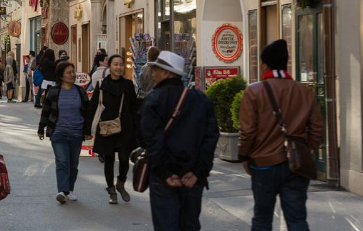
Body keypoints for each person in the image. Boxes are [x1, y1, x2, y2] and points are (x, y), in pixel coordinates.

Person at [238, 39, 324, 231]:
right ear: (286, 63)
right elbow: (317, 128)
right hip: (296, 165)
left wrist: (244, 156)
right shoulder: (304, 91)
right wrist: (305, 150)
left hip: (263, 163)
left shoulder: (254, 91)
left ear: (264, 64)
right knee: (297, 220)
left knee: (262, 219)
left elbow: (247, 131)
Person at [140, 51, 219, 231]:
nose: (153, 74)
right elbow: (211, 137)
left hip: (163, 178)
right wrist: (198, 171)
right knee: (189, 225)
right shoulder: (201, 99)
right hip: (192, 176)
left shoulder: (154, 98)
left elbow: (149, 139)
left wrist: (166, 172)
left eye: (156, 70)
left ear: (166, 73)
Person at [38, 60, 91, 204]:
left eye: (73, 72)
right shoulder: (54, 92)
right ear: (61, 76)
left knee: (73, 164)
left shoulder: (80, 92)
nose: (73, 75)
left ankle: (69, 190)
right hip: (58, 132)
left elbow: (87, 113)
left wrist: (87, 131)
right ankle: (62, 190)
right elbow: (46, 111)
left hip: (76, 133)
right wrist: (41, 128)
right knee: (62, 161)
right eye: (69, 72)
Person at [88, 54, 138, 204]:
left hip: (125, 127)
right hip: (106, 126)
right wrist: (87, 129)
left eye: (121, 64)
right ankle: (111, 191)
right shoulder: (102, 84)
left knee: (124, 158)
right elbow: (93, 106)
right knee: (109, 160)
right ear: (109, 66)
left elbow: (134, 107)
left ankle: (120, 184)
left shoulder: (128, 84)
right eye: (115, 64)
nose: (118, 67)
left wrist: (137, 127)